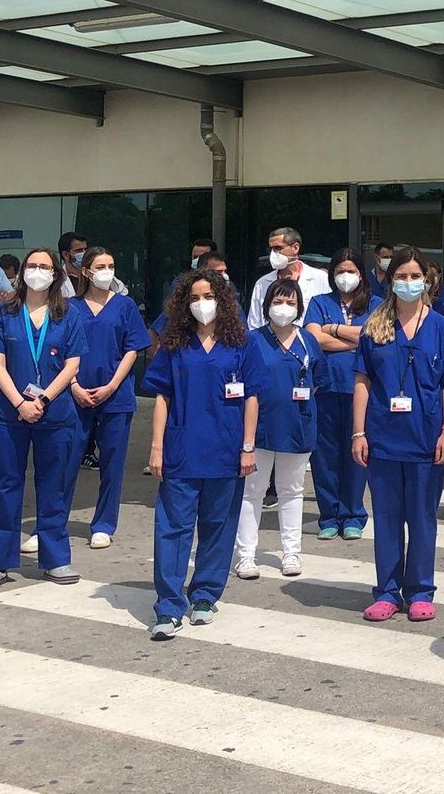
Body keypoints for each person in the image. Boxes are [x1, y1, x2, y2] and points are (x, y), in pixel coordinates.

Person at [142, 268, 263, 640]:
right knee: (172, 528)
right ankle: (168, 605)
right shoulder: (176, 344)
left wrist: (247, 446)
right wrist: (157, 447)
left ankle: (206, 596)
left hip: (227, 451)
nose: (201, 304)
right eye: (194, 298)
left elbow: (252, 397)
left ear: (223, 300)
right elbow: (162, 396)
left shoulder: (242, 343)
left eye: (208, 296)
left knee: (218, 526)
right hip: (181, 449)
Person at [352, 246, 444, 621]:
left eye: (415, 276)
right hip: (383, 438)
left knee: (421, 519)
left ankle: (420, 591)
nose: (408, 282)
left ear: (426, 281)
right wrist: (358, 433)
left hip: (425, 439)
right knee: (386, 519)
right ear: (390, 280)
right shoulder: (375, 325)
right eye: (401, 276)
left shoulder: (439, 327)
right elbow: (363, 381)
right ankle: (386, 592)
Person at [0, 248, 87, 593]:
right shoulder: (3, 313)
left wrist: (44, 398)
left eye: (45, 267)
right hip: (9, 413)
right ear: (22, 272)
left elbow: (72, 364)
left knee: (54, 484)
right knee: (7, 484)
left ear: (56, 275)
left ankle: (55, 558)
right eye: (32, 266)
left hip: (55, 412)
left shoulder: (68, 314)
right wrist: (20, 402)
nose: (38, 271)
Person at [235, 278, 324, 581]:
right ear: (267, 305)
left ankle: (291, 552)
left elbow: (318, 379)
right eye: (277, 301)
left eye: (290, 302)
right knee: (252, 492)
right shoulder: (251, 340)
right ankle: (246, 556)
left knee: (292, 491)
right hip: (260, 428)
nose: (284, 308)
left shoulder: (307, 341)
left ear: (299, 307)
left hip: (298, 425)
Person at [62, 246, 150, 551]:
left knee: (112, 463)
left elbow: (132, 349)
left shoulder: (124, 306)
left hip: (116, 395)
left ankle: (103, 523)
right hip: (75, 394)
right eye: (100, 266)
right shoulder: (70, 307)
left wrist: (113, 385)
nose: (107, 272)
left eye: (111, 265)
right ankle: (53, 522)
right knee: (65, 461)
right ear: (85, 271)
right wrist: (72, 384)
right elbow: (60, 348)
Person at [304, 248, 380, 541]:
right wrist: (355, 340)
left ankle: (353, 514)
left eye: (351, 271)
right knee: (324, 456)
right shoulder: (319, 302)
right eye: (339, 271)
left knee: (356, 452)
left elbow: (375, 336)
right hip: (326, 386)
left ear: (361, 274)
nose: (345, 277)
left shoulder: (376, 304)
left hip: (362, 389)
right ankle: (328, 516)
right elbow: (313, 337)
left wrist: (335, 330)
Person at [247, 227, 330, 330]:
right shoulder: (262, 283)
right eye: (271, 249)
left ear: (295, 248)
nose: (273, 254)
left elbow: (327, 317)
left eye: (278, 248)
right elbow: (254, 323)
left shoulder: (320, 279)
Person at [56, 232, 126, 298]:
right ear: (65, 254)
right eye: (79, 250)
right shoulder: (58, 281)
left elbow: (122, 293)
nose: (84, 253)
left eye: (85, 249)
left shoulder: (97, 274)